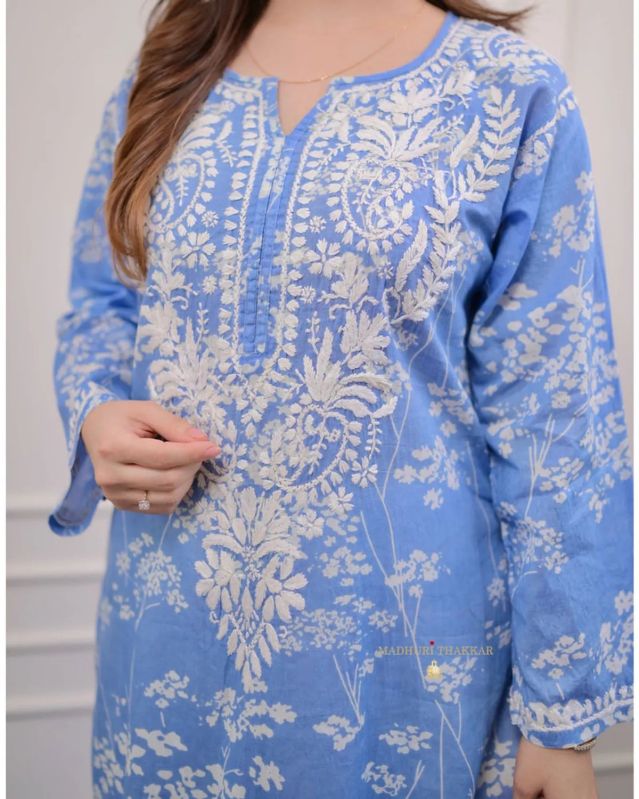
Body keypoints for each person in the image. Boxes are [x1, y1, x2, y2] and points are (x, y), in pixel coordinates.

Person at [48, 1, 633, 797]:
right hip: (166, 646)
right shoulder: (171, 68)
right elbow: (103, 301)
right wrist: (96, 412)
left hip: (403, 664)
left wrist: (561, 722)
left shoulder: (506, 91)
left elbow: (555, 414)